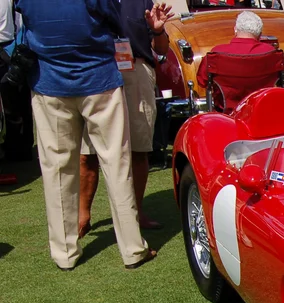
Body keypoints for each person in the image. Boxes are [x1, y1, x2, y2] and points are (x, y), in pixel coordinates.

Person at [14, 0, 156, 270]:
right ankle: (133, 249)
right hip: (98, 79)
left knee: (57, 168)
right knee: (117, 163)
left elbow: (25, 18)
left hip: (50, 82)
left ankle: (64, 253)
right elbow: (116, 21)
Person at [79, 1, 173, 239]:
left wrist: (158, 29)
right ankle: (82, 216)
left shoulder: (142, 1)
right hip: (96, 71)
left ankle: (135, 212)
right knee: (88, 151)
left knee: (139, 149)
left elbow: (161, 49)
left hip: (137, 72)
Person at [195, 10, 284, 90]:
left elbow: (202, 81)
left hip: (226, 112)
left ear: (235, 29)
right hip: (261, 110)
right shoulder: (273, 54)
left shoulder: (216, 54)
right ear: (260, 34)